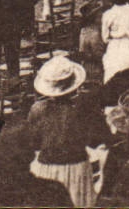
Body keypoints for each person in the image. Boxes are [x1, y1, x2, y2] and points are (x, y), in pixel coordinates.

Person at [25, 55, 109, 207]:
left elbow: (33, 143)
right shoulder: (84, 107)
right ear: (74, 84)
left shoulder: (37, 109)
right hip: (76, 168)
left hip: (45, 169)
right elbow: (98, 139)